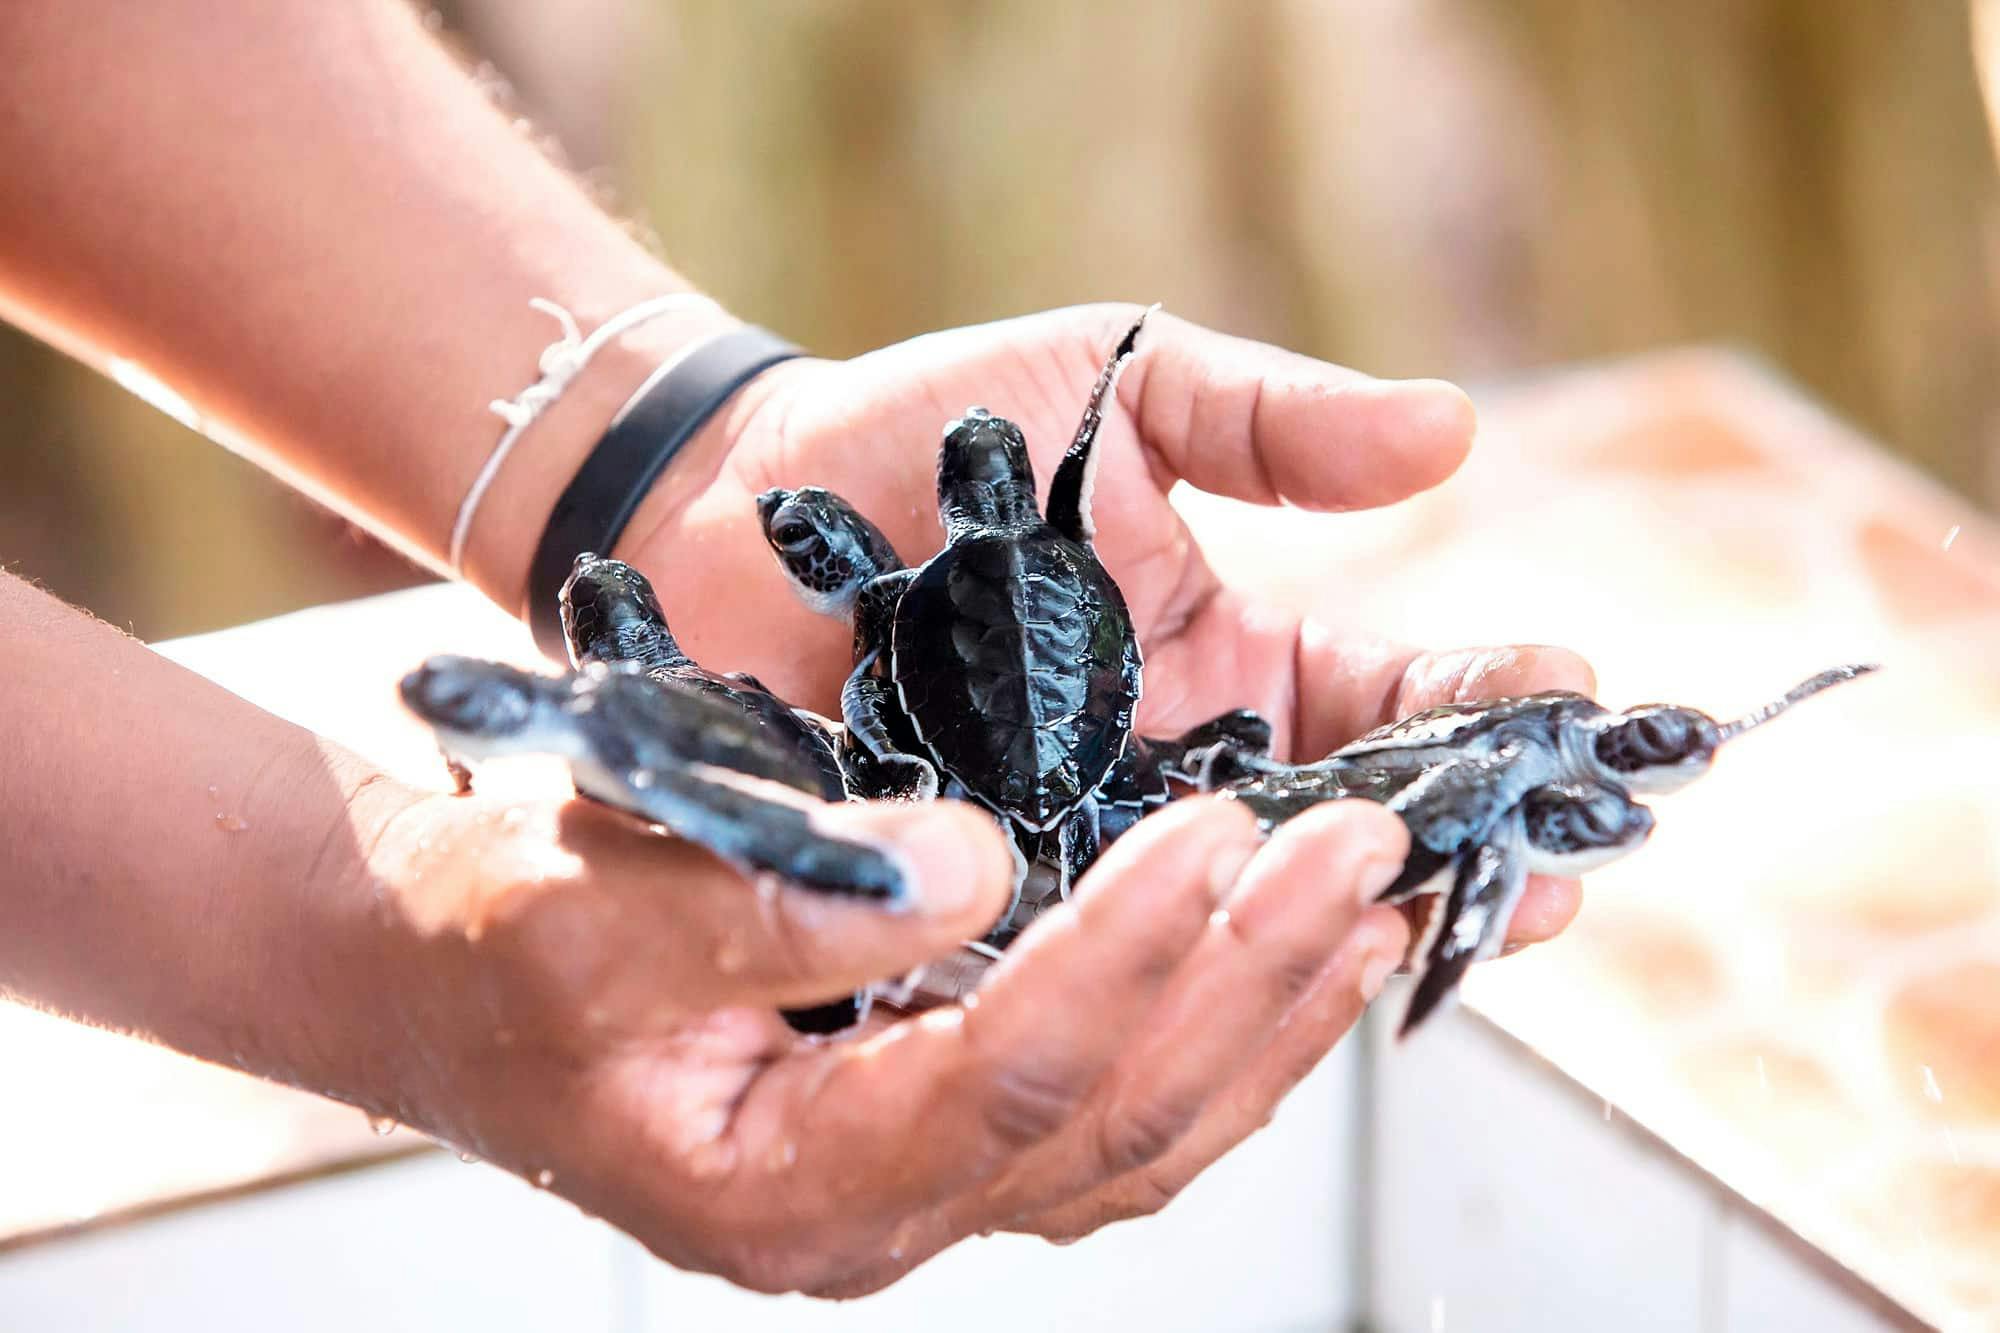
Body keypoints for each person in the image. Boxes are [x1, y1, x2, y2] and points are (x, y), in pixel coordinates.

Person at [0, 3, 1589, 1298]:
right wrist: (377, 925)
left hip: (923, 731)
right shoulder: (945, 585)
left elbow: (837, 581)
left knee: (829, 771)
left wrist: (679, 446)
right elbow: (859, 606)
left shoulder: (892, 594)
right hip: (995, 739)